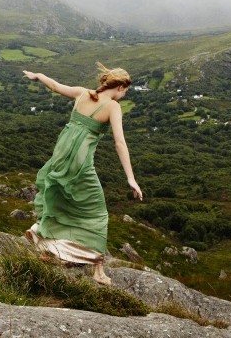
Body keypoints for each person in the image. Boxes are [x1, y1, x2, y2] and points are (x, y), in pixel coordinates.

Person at [23, 62, 143, 285]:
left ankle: (47, 242)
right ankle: (98, 271)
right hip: (80, 162)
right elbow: (120, 143)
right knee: (97, 213)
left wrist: (38, 75)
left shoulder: (82, 93)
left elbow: (55, 86)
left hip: (60, 155)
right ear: (120, 87)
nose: (124, 95)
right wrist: (130, 178)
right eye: (126, 91)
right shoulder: (113, 107)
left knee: (63, 200)